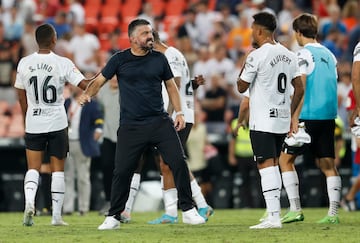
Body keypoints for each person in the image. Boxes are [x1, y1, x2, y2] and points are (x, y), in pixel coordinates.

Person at [77, 18, 206, 230]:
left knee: (178, 162)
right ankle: (113, 216)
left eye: (151, 33)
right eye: (145, 33)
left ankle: (189, 211)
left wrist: (180, 112)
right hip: (131, 126)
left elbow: (172, 87)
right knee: (121, 171)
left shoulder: (159, 59)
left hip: (159, 121)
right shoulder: (119, 60)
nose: (150, 37)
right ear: (133, 38)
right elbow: (98, 81)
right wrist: (86, 95)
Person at [14, 23, 90, 226]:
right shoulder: (63, 63)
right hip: (57, 121)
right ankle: (56, 217)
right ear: (54, 39)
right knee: (58, 170)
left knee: (33, 168)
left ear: (37, 40)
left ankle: (30, 202)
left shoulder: (24, 63)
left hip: (34, 120)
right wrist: (101, 77)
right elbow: (85, 85)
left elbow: (20, 95)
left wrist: (25, 116)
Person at [236, 12, 304, 229]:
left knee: (266, 166)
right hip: (282, 119)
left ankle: (274, 217)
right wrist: (292, 114)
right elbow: (300, 87)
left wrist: (245, 62)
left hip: (263, 120)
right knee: (274, 164)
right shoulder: (289, 54)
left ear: (258, 31)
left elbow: (241, 87)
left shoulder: (256, 56)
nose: (251, 33)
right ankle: (272, 214)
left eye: (252, 29)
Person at [145, 31, 213, 224]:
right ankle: (192, 207)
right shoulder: (175, 55)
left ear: (152, 44)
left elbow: (175, 83)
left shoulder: (170, 55)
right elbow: (183, 85)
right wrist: (194, 85)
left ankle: (181, 210)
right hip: (179, 114)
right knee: (171, 163)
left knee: (170, 163)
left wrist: (165, 114)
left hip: (176, 116)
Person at [279, 13, 342, 224]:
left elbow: (301, 86)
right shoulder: (330, 55)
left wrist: (294, 117)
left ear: (298, 32)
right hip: (328, 116)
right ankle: (333, 214)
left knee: (285, 160)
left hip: (308, 115)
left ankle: (295, 209)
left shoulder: (303, 54)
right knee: (327, 164)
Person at [63, 84, 103, 216]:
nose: (76, 89)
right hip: (67, 141)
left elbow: (98, 118)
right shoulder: (67, 102)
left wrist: (98, 129)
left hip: (83, 142)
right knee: (67, 176)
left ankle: (83, 208)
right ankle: (68, 208)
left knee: (83, 177)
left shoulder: (90, 103)